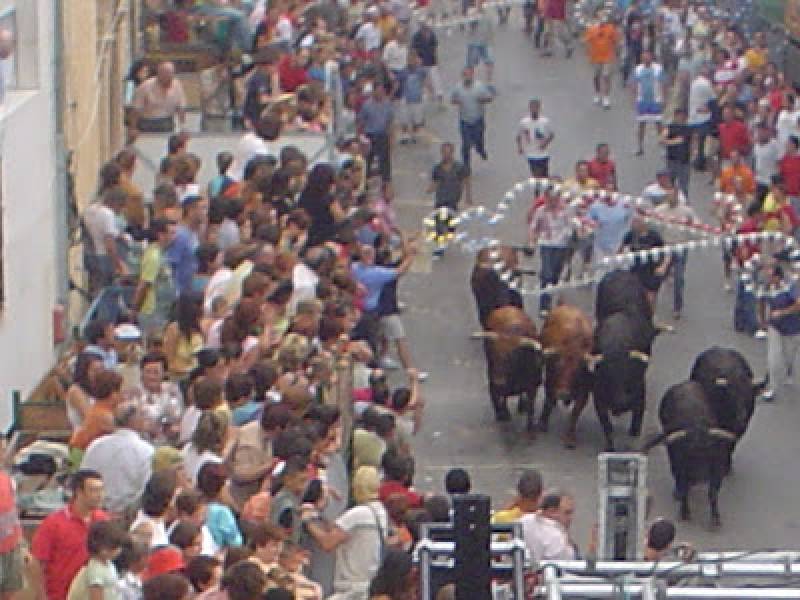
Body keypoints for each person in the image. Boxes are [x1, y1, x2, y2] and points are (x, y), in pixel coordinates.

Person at [30, 470, 110, 600]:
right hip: (59, 595)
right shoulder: (53, 523)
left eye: (101, 490)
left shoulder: (103, 520)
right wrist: (41, 596)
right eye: (94, 490)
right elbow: (36, 563)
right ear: (78, 492)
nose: (100, 495)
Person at [80, 402, 154, 517]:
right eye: (142, 416)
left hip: (95, 513)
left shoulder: (95, 445)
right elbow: (146, 490)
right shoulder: (146, 451)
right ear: (135, 421)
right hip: (127, 517)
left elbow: (82, 479)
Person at [528, 186, 573, 316]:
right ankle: (544, 305)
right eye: (550, 199)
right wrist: (532, 241)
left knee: (555, 275)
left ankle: (555, 295)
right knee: (546, 274)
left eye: (555, 199)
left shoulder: (566, 212)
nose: (553, 202)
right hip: (546, 245)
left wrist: (570, 235)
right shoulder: (541, 212)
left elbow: (571, 226)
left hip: (561, 246)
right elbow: (533, 227)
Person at [654, 189, 698, 319]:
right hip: (666, 246)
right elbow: (651, 223)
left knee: (679, 277)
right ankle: (652, 304)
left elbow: (696, 223)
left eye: (673, 196)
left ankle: (677, 307)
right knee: (659, 277)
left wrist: (691, 235)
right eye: (668, 197)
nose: (671, 199)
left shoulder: (686, 211)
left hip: (680, 246)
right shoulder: (660, 210)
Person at [133, 217, 177, 336]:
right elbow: (144, 285)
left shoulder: (161, 254)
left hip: (162, 310)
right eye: (172, 233)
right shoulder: (153, 256)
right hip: (152, 311)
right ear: (161, 235)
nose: (175, 237)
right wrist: (134, 310)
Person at [83, 186, 129, 295]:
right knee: (108, 292)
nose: (121, 211)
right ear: (115, 204)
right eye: (121, 207)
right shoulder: (108, 214)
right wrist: (119, 265)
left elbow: (93, 232)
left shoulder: (90, 210)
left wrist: (119, 234)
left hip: (90, 255)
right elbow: (109, 244)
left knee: (96, 291)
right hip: (105, 258)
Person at [763, 265, 800, 402]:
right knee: (773, 358)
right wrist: (763, 321)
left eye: (771, 276)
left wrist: (783, 312)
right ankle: (772, 388)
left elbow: (798, 304)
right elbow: (762, 300)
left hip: (793, 329)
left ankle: (789, 371)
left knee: (788, 356)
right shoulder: (768, 287)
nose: (769, 279)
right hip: (775, 327)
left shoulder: (790, 288)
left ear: (778, 277)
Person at [66, 521, 129, 600]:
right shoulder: (95, 571)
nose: (119, 550)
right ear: (104, 549)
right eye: (116, 547)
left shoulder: (108, 564)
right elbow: (96, 595)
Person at [622, 214, 668, 312]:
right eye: (633, 222)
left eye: (636, 222)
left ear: (644, 223)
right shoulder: (630, 235)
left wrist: (663, 266)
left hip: (652, 271)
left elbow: (667, 251)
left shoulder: (654, 236)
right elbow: (620, 249)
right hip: (636, 271)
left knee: (650, 299)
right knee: (635, 297)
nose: (633, 225)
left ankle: (650, 320)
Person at [451, 67, 493, 171]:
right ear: (462, 76)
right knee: (466, 144)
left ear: (473, 75)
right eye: (465, 75)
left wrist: (483, 99)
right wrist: (457, 101)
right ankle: (466, 166)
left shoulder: (479, 87)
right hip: (465, 121)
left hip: (478, 120)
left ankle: (480, 149)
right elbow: (453, 99)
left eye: (469, 75)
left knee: (478, 140)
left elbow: (489, 98)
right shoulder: (458, 88)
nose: (467, 77)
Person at [520, 489, 576, 561]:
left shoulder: (523, 521)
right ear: (551, 511)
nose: (571, 518)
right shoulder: (556, 537)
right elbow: (565, 567)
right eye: (567, 513)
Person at [133, 61, 187, 133]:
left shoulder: (177, 85)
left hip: (167, 122)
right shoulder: (145, 86)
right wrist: (133, 128)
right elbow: (136, 109)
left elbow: (181, 107)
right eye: (165, 75)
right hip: (147, 123)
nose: (168, 79)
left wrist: (183, 127)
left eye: (170, 75)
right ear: (159, 74)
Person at [358, 82, 395, 183]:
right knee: (367, 161)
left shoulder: (388, 104)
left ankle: (386, 183)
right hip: (369, 136)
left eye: (382, 90)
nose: (380, 93)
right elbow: (361, 123)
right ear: (374, 91)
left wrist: (391, 140)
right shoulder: (367, 105)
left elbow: (390, 123)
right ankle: (365, 181)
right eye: (378, 90)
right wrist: (360, 139)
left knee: (385, 162)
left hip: (382, 136)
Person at [584, 11, 619, 109]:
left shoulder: (611, 28)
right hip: (595, 57)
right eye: (601, 16)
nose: (603, 18)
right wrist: (588, 54)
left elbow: (615, 41)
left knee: (606, 76)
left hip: (608, 57)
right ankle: (597, 94)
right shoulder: (592, 29)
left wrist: (616, 56)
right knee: (596, 76)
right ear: (597, 18)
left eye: (604, 17)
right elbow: (587, 41)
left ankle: (606, 97)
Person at [633, 51, 665, 156]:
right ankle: (639, 147)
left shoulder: (658, 68)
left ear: (651, 57)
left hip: (656, 100)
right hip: (642, 101)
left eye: (647, 57)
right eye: (643, 57)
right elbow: (634, 84)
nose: (646, 59)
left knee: (659, 124)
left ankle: (663, 147)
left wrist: (664, 98)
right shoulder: (638, 69)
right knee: (641, 124)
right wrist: (634, 98)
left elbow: (663, 83)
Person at [588, 192, 633, 266]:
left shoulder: (624, 205)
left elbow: (630, 220)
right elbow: (588, 219)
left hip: (618, 243)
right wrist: (593, 223)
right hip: (601, 244)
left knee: (618, 266)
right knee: (601, 266)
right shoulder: (596, 207)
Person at [0, 468, 23, 600]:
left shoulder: (6, 478)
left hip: (11, 547)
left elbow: (13, 512)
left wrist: (20, 541)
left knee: (9, 592)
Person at [517, 98, 554, 177]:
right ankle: (537, 188)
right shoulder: (524, 122)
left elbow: (551, 135)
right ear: (529, 109)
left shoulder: (545, 121)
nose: (534, 110)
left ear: (539, 109)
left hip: (543, 154)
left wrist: (545, 143)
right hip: (531, 154)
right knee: (536, 174)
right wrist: (520, 147)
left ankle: (544, 188)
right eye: (532, 108)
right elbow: (519, 136)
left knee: (544, 174)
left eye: (536, 108)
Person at [688, 65, 716, 171]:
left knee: (695, 140)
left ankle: (695, 160)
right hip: (703, 117)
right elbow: (713, 100)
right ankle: (700, 161)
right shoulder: (706, 84)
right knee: (702, 141)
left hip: (693, 115)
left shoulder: (694, 83)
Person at [661, 107, 692, 197]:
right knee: (669, 184)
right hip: (672, 161)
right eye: (679, 115)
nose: (681, 118)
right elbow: (662, 140)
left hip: (684, 161)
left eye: (683, 116)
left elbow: (693, 142)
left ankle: (684, 203)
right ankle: (670, 201)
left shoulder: (688, 129)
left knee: (684, 187)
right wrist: (673, 141)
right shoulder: (670, 127)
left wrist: (693, 152)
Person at [465, 4, 494, 86]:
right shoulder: (471, 12)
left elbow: (490, 27)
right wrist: (474, 16)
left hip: (485, 42)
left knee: (490, 62)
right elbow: (469, 28)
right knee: (470, 64)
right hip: (473, 43)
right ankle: (469, 82)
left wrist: (490, 40)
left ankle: (489, 83)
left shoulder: (487, 12)